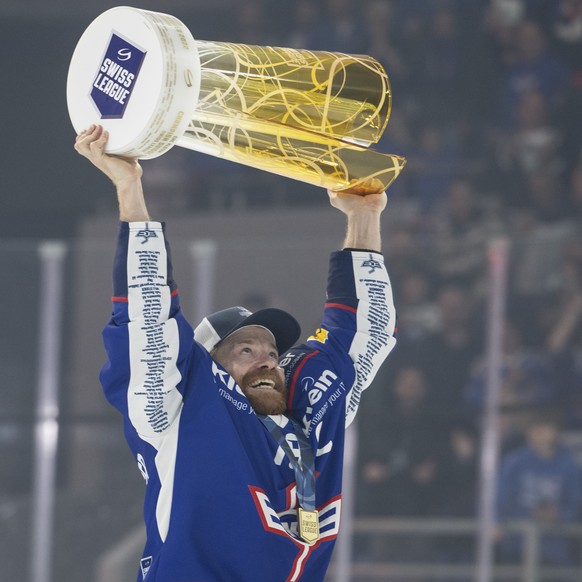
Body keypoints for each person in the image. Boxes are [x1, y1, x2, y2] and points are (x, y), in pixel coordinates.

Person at [74, 124, 398, 582]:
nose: (267, 358)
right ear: (209, 365)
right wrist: (130, 189)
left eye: (271, 350)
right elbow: (148, 323)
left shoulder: (311, 418)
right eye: (245, 349)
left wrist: (363, 216)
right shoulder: (174, 413)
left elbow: (367, 333)